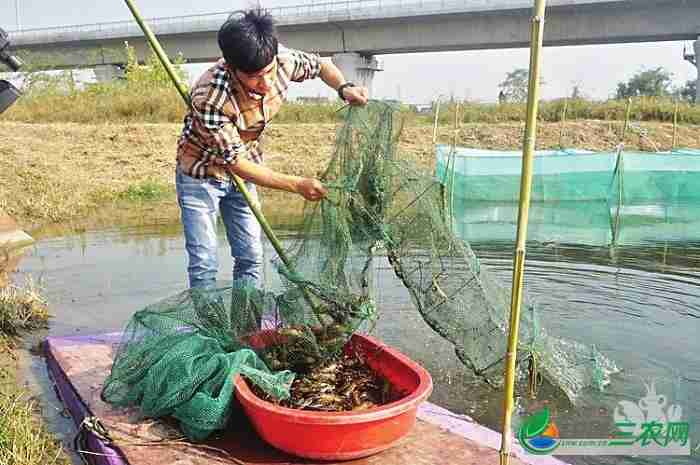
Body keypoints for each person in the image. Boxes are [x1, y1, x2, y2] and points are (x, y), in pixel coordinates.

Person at [176, 9, 369, 289]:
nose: (265, 84)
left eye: (268, 72)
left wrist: (344, 87)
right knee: (204, 263)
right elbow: (235, 162)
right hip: (200, 174)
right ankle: (212, 330)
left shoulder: (283, 59)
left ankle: (248, 328)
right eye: (254, 78)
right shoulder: (210, 96)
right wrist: (297, 185)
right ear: (232, 68)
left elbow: (321, 66)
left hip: (245, 168)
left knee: (251, 256)